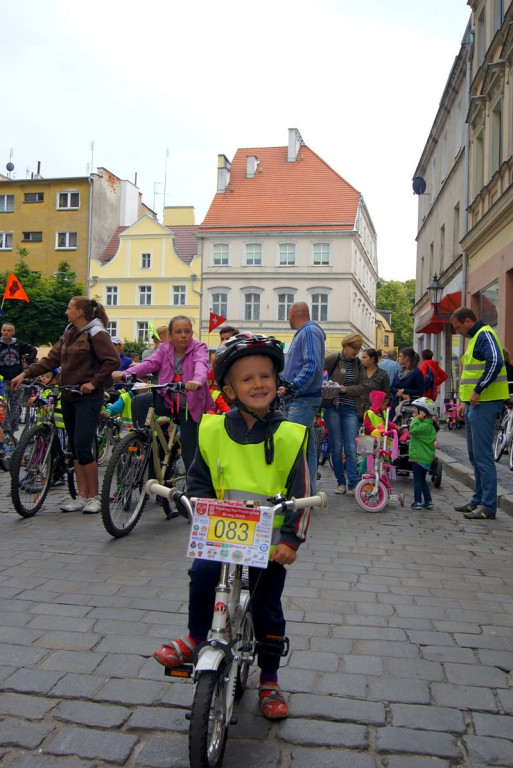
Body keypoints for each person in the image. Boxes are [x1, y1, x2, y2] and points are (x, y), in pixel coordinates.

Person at [152, 332, 311, 721]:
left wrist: (291, 538)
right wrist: (197, 509)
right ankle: (195, 637)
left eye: (265, 376)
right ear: (228, 389)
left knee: (267, 607)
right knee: (202, 573)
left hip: (269, 541)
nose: (258, 384)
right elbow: (199, 481)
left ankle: (270, 678)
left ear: (277, 382)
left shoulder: (291, 436)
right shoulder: (212, 430)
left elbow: (304, 492)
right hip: (223, 535)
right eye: (247, 378)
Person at [10, 297, 120, 514]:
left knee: (83, 447)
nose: (66, 311)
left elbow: (112, 362)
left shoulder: (96, 333)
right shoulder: (70, 332)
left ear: (80, 312)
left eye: (69, 308)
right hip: (69, 395)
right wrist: (25, 373)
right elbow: (51, 360)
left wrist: (93, 383)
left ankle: (95, 497)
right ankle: (81, 496)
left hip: (88, 398)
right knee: (74, 450)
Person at [113, 315, 214, 471]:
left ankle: (192, 488)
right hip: (167, 397)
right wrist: (127, 372)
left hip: (190, 402)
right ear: (171, 334)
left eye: (187, 331)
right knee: (139, 401)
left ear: (192, 333)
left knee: (190, 451)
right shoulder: (165, 349)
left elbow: (201, 365)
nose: (183, 335)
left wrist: (198, 381)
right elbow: (149, 364)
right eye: (178, 332)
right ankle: (144, 441)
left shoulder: (199, 347)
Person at [451, 307, 509, 520]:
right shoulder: (477, 337)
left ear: (468, 321)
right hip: (475, 403)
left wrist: (477, 390)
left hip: (484, 402)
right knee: (475, 457)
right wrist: (465, 402)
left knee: (483, 457)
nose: (457, 332)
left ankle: (488, 506)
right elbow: (472, 373)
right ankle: (478, 500)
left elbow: (495, 362)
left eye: (458, 327)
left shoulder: (484, 335)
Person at [278, 301, 325, 492]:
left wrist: (290, 387)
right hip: (304, 398)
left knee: (292, 447)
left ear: (292, 314)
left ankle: (295, 491)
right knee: (308, 448)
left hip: (302, 399)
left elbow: (311, 366)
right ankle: (308, 491)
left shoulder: (308, 331)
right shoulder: (309, 332)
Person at [323, 332, 370, 495]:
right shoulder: (332, 359)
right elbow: (319, 377)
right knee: (336, 446)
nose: (356, 352)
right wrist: (327, 386)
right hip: (333, 408)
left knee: (350, 446)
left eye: (358, 349)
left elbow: (365, 386)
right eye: (354, 348)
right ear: (346, 345)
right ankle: (340, 483)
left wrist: (346, 389)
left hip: (350, 408)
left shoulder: (358, 364)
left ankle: (352, 485)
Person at [0, 322, 37, 433]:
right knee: (4, 406)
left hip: (17, 380)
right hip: (3, 381)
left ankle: (13, 432)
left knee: (16, 408)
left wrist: (27, 363)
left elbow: (33, 350)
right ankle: (4, 432)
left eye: (9, 330)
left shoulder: (18, 344)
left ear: (13, 332)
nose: (6, 332)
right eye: (4, 330)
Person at [408, 397, 437, 510]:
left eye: (415, 412)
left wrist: (416, 419)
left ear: (423, 413)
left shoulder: (424, 426)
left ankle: (418, 501)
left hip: (419, 458)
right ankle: (428, 501)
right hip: (424, 458)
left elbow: (412, 429)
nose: (413, 415)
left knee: (417, 481)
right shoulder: (429, 426)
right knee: (422, 480)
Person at [389, 348, 425, 420]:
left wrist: (405, 391)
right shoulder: (399, 371)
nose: (399, 358)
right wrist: (400, 393)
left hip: (409, 407)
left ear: (407, 358)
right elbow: (392, 387)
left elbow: (420, 391)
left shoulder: (417, 373)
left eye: (401, 356)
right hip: (395, 404)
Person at [361, 348, 390, 412]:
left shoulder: (382, 374)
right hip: (356, 412)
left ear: (372, 359)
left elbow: (386, 395)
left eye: (364, 357)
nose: (362, 359)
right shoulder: (359, 372)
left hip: (374, 414)